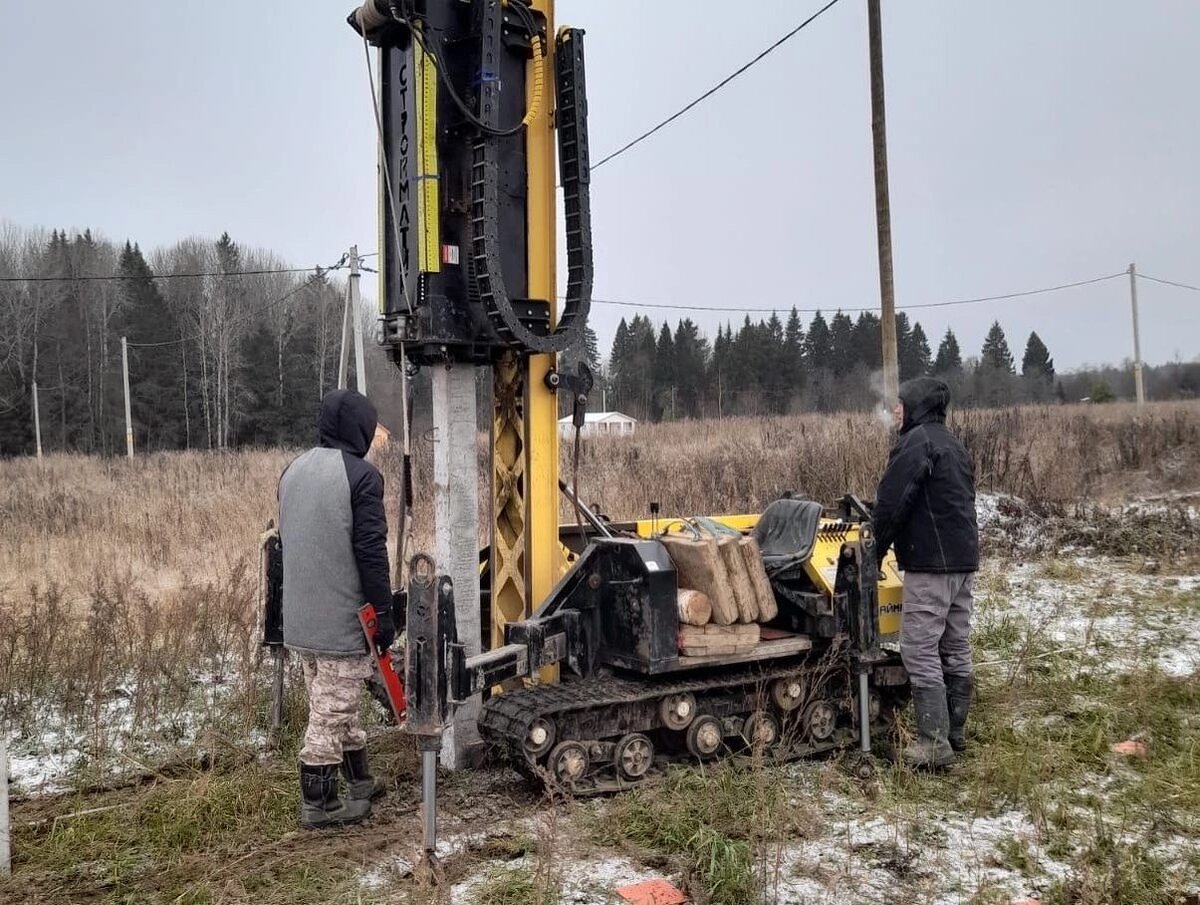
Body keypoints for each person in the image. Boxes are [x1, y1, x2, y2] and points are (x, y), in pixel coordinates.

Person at [279, 388, 396, 828]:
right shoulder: (361, 477)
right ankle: (319, 803)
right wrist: (383, 613)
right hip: (340, 623)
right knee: (331, 713)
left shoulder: (293, 470)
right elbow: (370, 551)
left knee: (335, 702)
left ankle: (361, 780)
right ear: (361, 430)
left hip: (300, 620)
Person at [871, 376, 978, 769]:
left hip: (932, 564)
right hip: (963, 562)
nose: (896, 410)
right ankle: (954, 734)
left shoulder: (917, 443)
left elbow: (892, 503)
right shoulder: (952, 443)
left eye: (900, 404)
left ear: (916, 406)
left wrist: (874, 550)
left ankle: (933, 742)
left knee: (918, 647)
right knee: (954, 644)